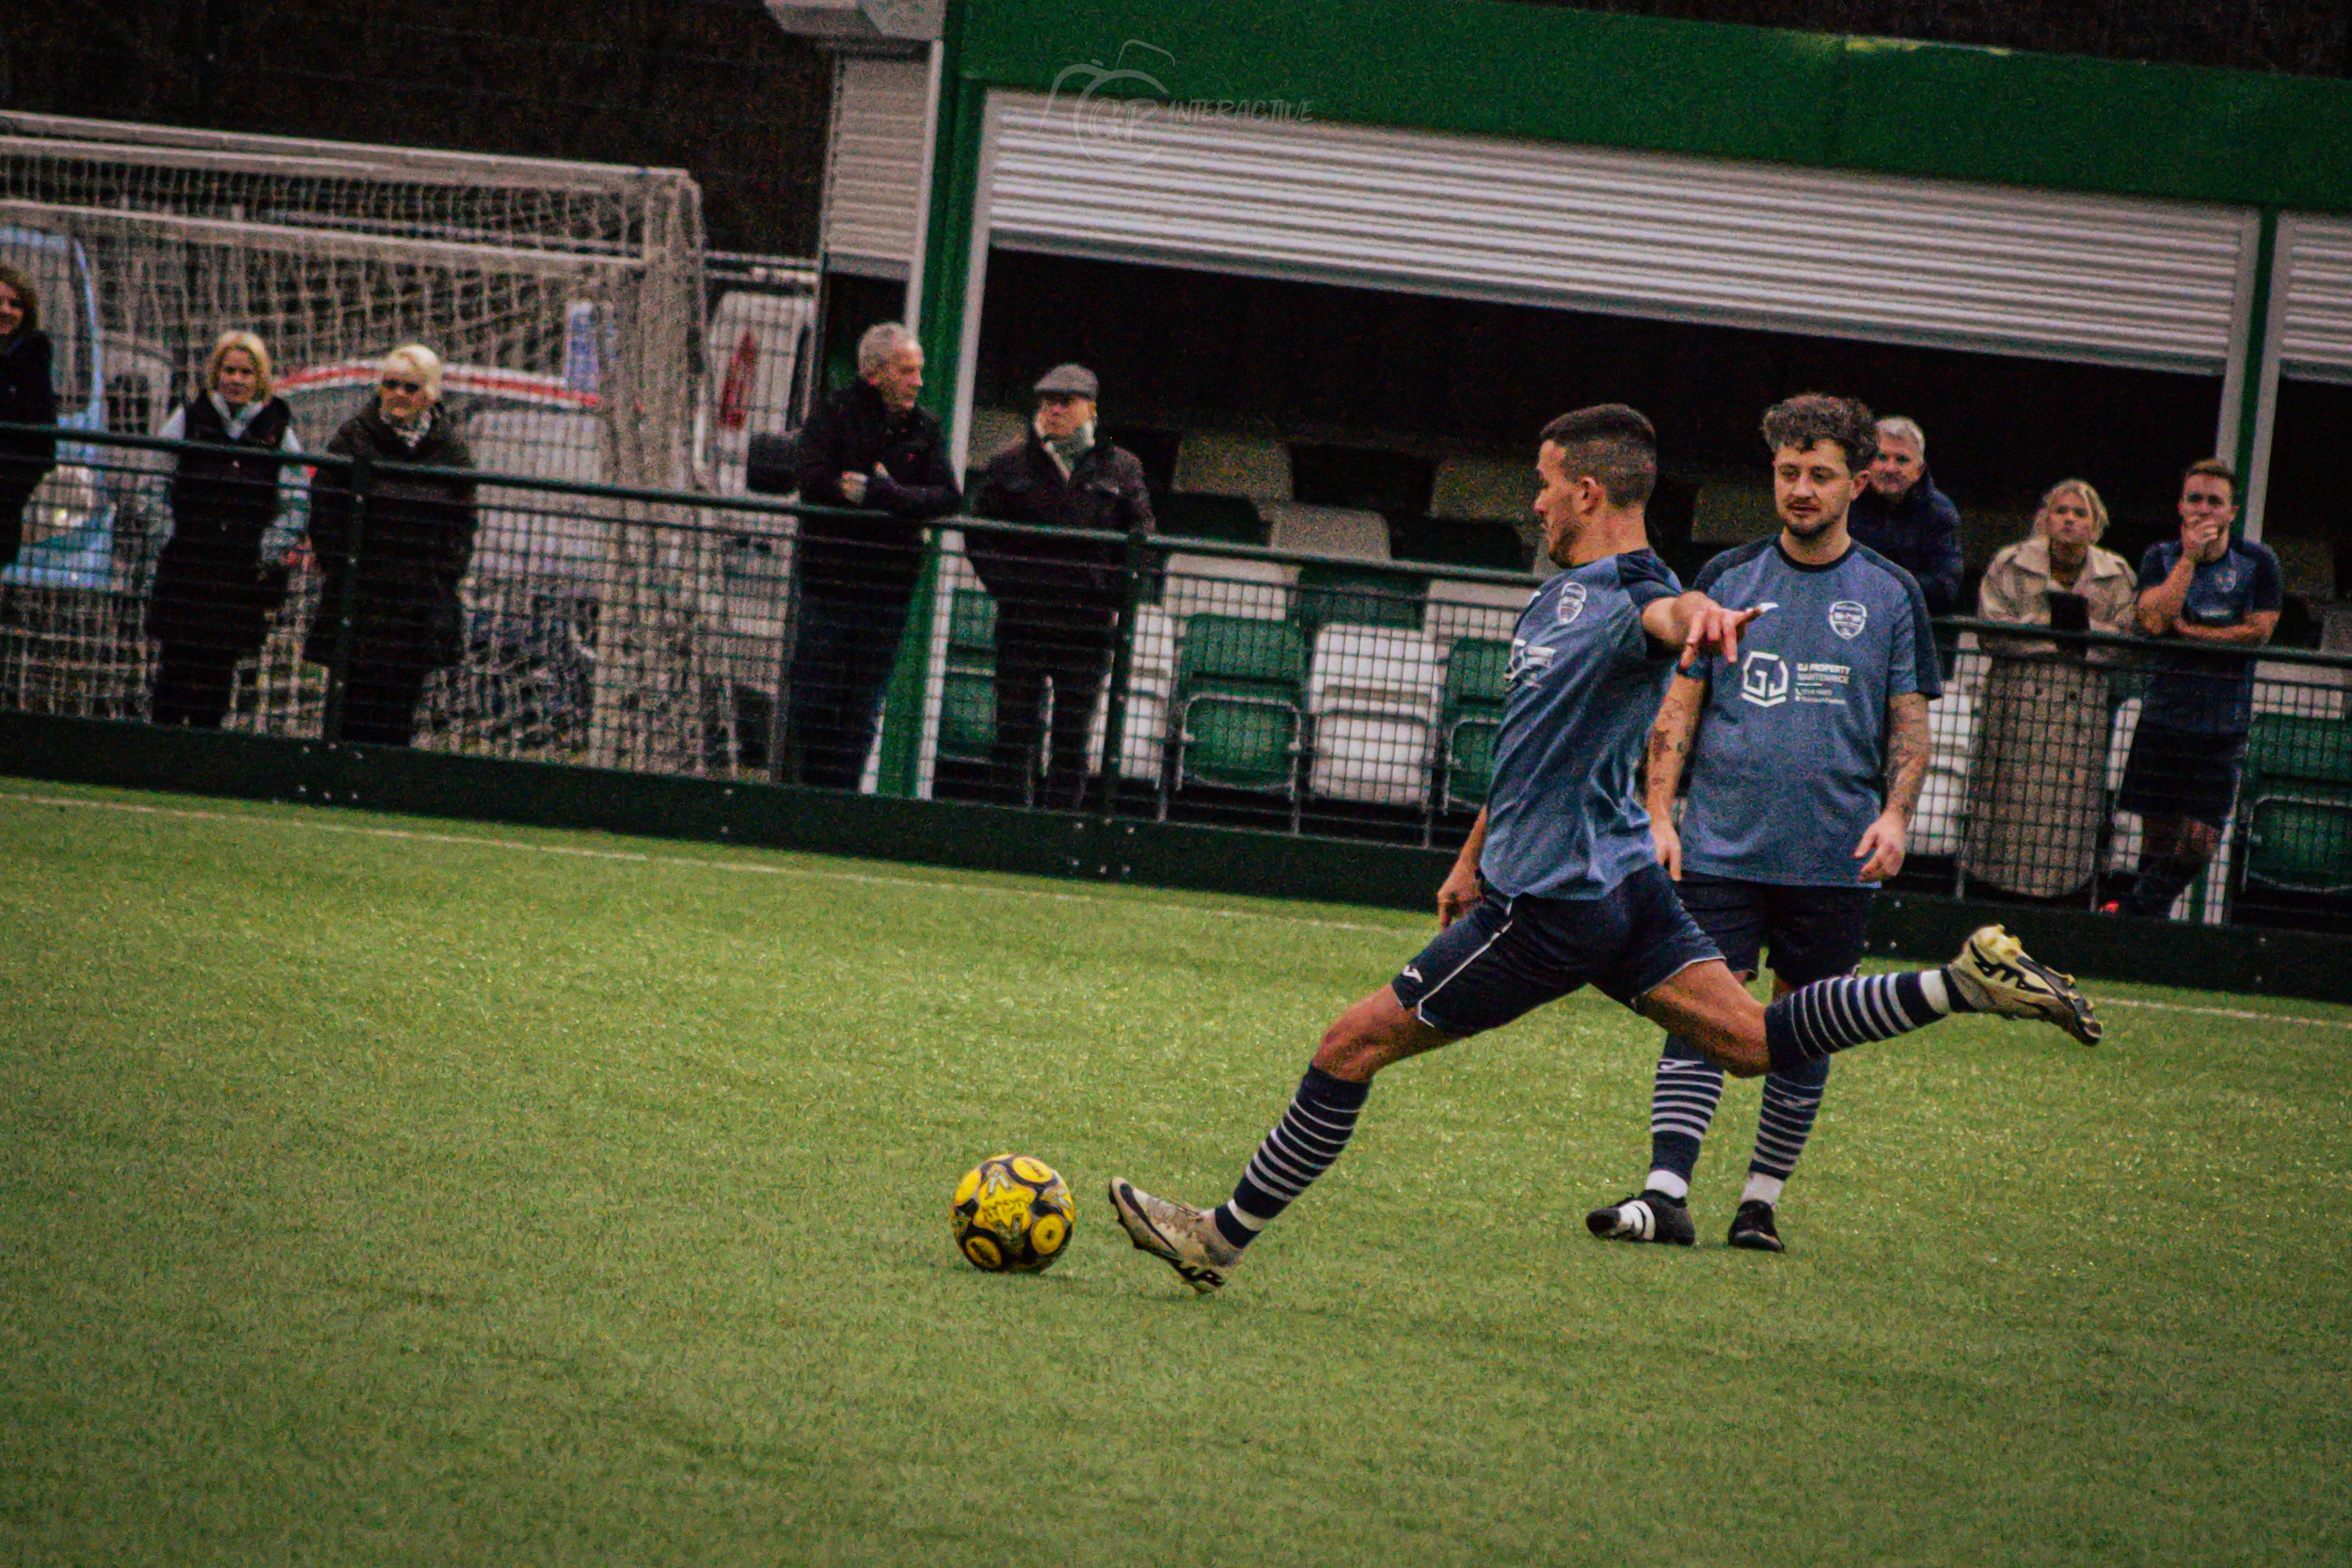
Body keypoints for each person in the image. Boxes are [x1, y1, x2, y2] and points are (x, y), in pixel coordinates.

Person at [1108, 404, 2100, 1296]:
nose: (1535, 502)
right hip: (1619, 883)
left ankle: (1218, 1237)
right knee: (1753, 1041)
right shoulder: (1556, 598)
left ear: (1586, 490)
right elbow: (1532, 746)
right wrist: (1470, 855)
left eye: (1544, 483)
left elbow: (1672, 617)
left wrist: (1704, 620)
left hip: (1551, 906)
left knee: (1348, 1044)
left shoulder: (1637, 589)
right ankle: (1960, 985)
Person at [1585, 394, 1940, 1254]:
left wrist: (1896, 817)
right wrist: (1659, 815)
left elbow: (1909, 725)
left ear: (1857, 484)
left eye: (1820, 474)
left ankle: (1759, 1203)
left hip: (1834, 856)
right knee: (1700, 1008)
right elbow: (1679, 706)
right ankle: (1665, 1193)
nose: (1802, 489)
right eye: (1788, 472)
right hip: (1720, 846)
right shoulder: (1730, 576)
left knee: (1805, 1022)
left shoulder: (1893, 594)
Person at [966, 363, 1154, 808]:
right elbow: (978, 533)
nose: (1054, 410)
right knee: (1013, 733)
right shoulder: (1008, 464)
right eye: (1048, 401)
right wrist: (1009, 588)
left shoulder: (1122, 468)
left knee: (1072, 740)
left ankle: (1061, 830)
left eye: (1065, 402)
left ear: (1091, 408)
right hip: (1023, 622)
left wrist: (1109, 592)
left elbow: (1143, 537)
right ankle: (1008, 827)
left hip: (1088, 628)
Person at [787, 322, 961, 789]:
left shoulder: (925, 427)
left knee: (862, 705)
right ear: (874, 373)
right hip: (829, 582)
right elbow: (812, 476)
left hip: (887, 590)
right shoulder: (833, 412)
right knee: (814, 697)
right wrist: (870, 495)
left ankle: (840, 798)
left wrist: (885, 494)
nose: (918, 382)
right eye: (907, 371)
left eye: (919, 370)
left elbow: (948, 496)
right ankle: (813, 788)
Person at [2106, 460, 2281, 919]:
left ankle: (2132, 911)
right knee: (2156, 837)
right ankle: (2145, 928)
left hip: (2223, 724)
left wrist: (2193, 633)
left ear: (2232, 511)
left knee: (2200, 840)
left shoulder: (2258, 562)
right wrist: (2188, 560)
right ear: (2181, 507)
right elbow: (2152, 620)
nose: (2204, 509)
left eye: (2215, 502)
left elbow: (2259, 631)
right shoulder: (2160, 557)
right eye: (2195, 499)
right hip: (2164, 714)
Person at [1964, 482, 2137, 900]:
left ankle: (2063, 901)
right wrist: (2057, 636)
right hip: (2016, 713)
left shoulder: (2117, 575)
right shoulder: (2009, 563)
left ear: (2096, 525)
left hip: (2079, 722)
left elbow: (2125, 645)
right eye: (2061, 511)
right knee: (2004, 815)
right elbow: (1990, 631)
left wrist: (2078, 635)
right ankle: (1990, 898)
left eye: (2080, 513)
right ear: (2045, 518)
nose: (2069, 520)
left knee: (2068, 820)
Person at [303, 344, 479, 748]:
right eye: (391, 384)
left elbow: (463, 521)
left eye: (410, 387)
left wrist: (443, 575)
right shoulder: (353, 436)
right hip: (359, 598)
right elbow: (325, 507)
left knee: (399, 711)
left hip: (417, 604)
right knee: (348, 707)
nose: (399, 394)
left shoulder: (450, 449)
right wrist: (341, 566)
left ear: (430, 394)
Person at [145, 331, 309, 729]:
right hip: (186, 566)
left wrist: (266, 550)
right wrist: (166, 535)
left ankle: (204, 750)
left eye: (246, 372)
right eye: (229, 370)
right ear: (216, 373)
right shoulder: (187, 418)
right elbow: (152, 481)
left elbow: (297, 501)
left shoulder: (278, 430)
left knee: (218, 674)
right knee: (174, 669)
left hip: (239, 574)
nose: (236, 379)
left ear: (260, 378)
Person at [1847, 416, 1964, 615]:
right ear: (1867, 463)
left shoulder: (1940, 512)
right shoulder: (1847, 501)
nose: (1890, 468)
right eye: (1882, 457)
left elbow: (1945, 590)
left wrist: (1877, 586)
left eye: (1901, 459)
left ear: (1919, 470)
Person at [0, 263, 60, 578]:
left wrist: (12, 490)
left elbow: (43, 441)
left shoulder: (33, 355)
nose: (5, 310)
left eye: (14, 304)